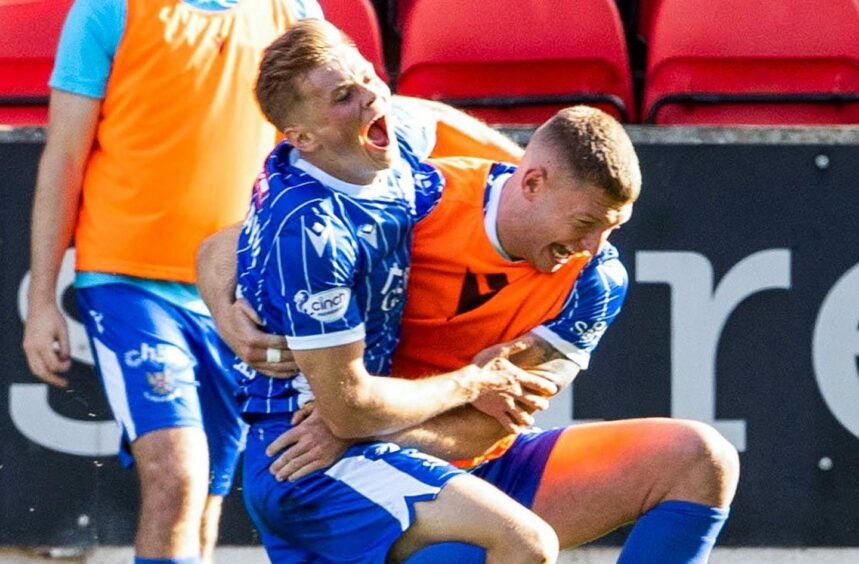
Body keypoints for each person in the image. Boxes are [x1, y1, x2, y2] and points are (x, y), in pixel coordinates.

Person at [201, 105, 739, 562]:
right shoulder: (418, 200)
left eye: (612, 228)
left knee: (701, 457)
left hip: (422, 455)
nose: (595, 246)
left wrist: (357, 424)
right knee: (496, 548)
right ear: (531, 183)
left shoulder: (596, 283)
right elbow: (236, 241)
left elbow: (484, 428)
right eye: (585, 224)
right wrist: (228, 316)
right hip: (329, 462)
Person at [218, 19, 561, 564]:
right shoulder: (313, 233)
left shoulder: (374, 138)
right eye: (343, 96)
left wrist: (541, 184)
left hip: (352, 441)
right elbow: (349, 410)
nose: (371, 96)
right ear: (302, 139)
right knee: (525, 543)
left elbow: (430, 116)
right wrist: (475, 382)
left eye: (368, 76)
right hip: (305, 458)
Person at [21, 1, 328, 563]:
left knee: (207, 493)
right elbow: (63, 156)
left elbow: (334, 132)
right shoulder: (108, 9)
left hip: (240, 293)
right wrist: (42, 300)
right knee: (177, 475)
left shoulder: (294, 9)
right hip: (126, 280)